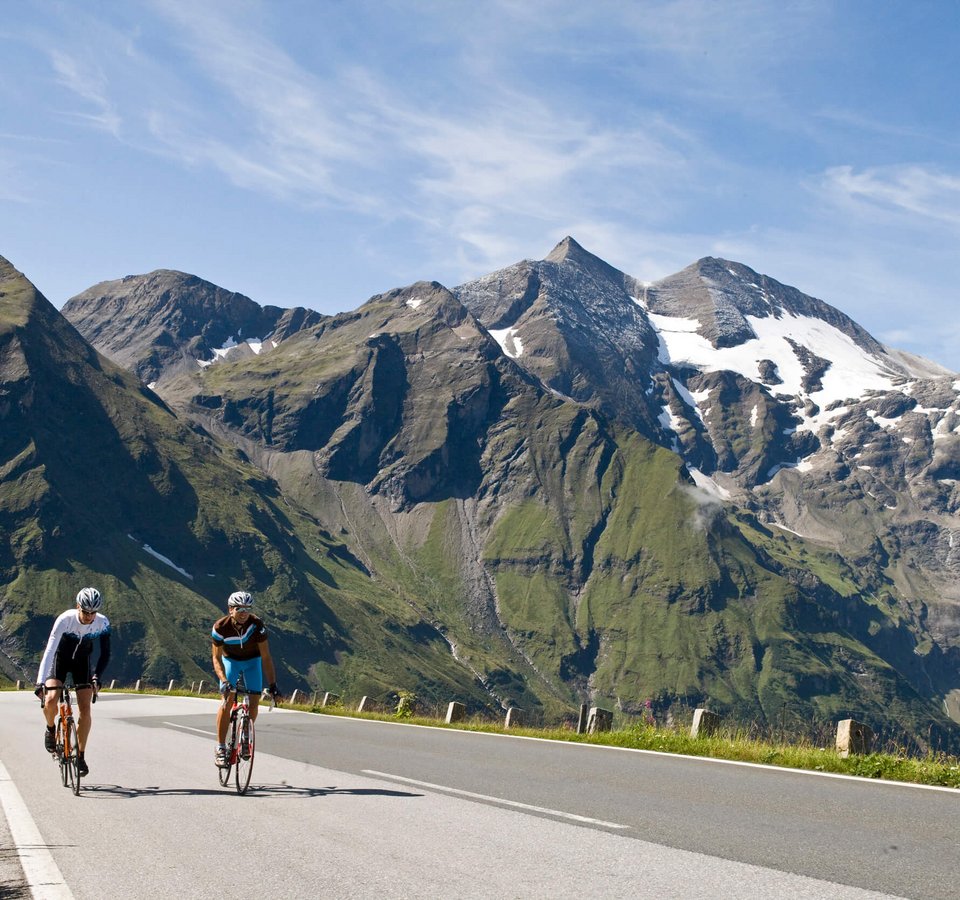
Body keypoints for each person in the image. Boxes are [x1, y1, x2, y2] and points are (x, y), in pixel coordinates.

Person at [36, 587, 111, 777]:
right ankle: (50, 729)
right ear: (78, 607)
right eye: (85, 612)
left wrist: (97, 677)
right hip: (60, 660)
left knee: (85, 709)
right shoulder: (65, 619)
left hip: (82, 663)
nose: (89, 616)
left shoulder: (102, 623)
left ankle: (80, 756)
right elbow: (50, 650)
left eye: (93, 612)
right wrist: (40, 682)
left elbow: (105, 654)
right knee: (52, 699)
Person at [211, 590, 282, 767]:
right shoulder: (220, 627)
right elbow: (216, 658)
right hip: (230, 661)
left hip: (252, 661)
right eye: (239, 608)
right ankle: (220, 747)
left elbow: (266, 657)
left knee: (254, 700)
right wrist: (224, 681)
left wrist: (273, 684)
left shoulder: (257, 625)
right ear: (230, 609)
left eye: (247, 608)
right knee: (227, 701)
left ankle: (246, 735)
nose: (243, 612)